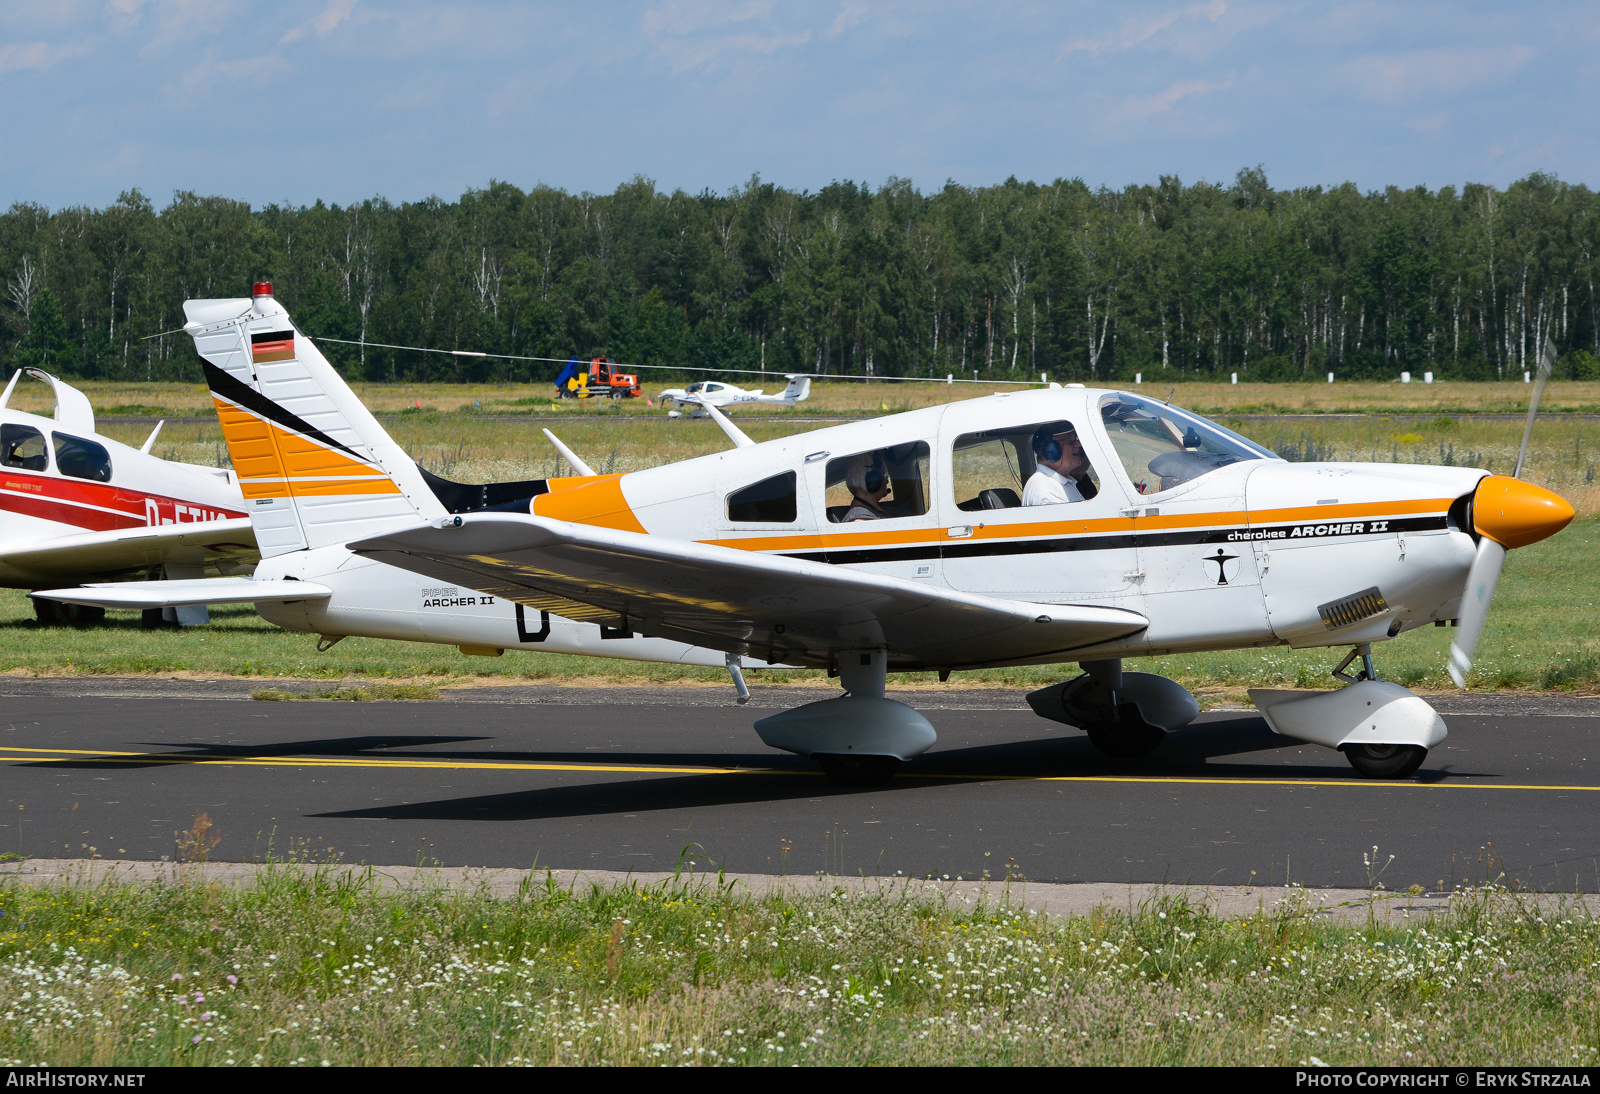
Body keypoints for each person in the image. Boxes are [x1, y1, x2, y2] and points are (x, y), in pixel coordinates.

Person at [1022, 422, 1096, 506]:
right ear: (1051, 449)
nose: (1078, 444)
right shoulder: (1045, 491)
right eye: (1071, 439)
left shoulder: (1061, 483)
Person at [842, 452, 892, 521]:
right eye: (884, 476)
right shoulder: (859, 520)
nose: (887, 481)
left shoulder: (875, 510)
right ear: (873, 480)